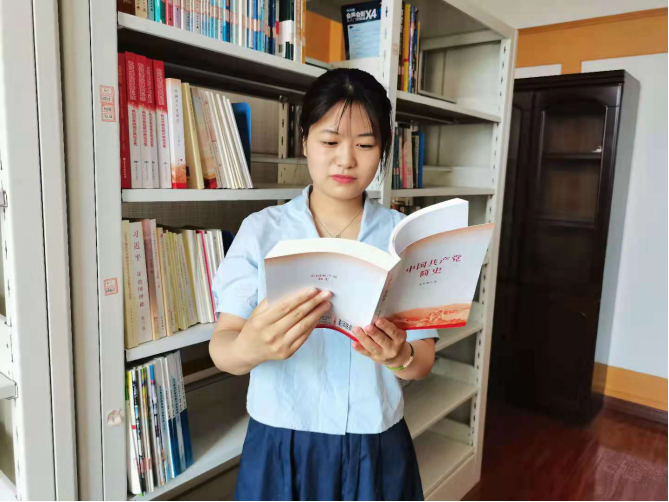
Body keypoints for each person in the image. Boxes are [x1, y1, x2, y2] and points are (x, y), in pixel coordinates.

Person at [209, 68, 438, 501]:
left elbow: (422, 361)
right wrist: (250, 347)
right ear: (304, 140)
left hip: (374, 441)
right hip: (281, 441)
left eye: (365, 145)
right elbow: (223, 346)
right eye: (330, 142)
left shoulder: (405, 237)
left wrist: (398, 356)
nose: (346, 160)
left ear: (383, 149)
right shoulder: (261, 231)